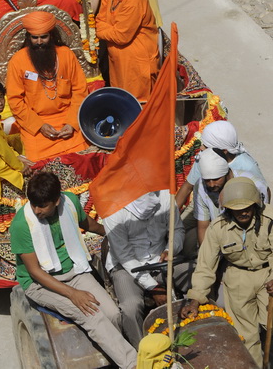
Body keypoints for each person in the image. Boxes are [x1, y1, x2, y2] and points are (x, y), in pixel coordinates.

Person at [10, 171, 137, 369]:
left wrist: (113, 233)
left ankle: (115, 357)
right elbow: (35, 272)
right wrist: (73, 294)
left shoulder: (69, 202)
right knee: (92, 316)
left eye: (42, 205)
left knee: (113, 314)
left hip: (75, 271)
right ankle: (134, 364)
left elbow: (90, 225)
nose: (36, 210)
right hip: (40, 283)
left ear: (57, 201)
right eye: (33, 204)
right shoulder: (21, 225)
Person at [181, 177, 273, 365]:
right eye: (237, 209)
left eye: (247, 207)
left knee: (270, 327)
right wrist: (196, 299)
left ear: (256, 204)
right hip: (238, 279)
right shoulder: (217, 228)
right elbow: (206, 265)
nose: (243, 213)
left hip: (268, 275)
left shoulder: (270, 219)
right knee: (246, 336)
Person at [104, 191, 188, 348]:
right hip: (126, 266)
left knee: (195, 279)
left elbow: (177, 229)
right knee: (130, 307)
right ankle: (141, 351)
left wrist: (171, 249)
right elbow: (125, 256)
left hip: (160, 258)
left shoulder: (165, 196)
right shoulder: (113, 209)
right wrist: (154, 287)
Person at [5, 12, 88, 161]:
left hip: (68, 119)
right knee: (41, 165)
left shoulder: (66, 55)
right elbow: (15, 101)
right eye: (34, 38)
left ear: (51, 36)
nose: (39, 42)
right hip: (35, 124)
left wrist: (72, 123)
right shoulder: (18, 61)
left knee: (81, 160)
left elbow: (80, 91)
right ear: (28, 38)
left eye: (43, 37)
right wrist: (39, 126)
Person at [95, 0, 159, 100]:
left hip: (137, 62)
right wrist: (106, 27)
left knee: (136, 106)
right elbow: (100, 18)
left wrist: (100, 29)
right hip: (118, 61)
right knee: (121, 101)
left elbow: (121, 36)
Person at [176, 120, 267, 213]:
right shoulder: (205, 157)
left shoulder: (247, 166)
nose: (201, 148)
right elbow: (187, 187)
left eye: (206, 146)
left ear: (224, 151)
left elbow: (264, 191)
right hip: (204, 202)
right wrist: (170, 216)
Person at [192, 147, 268, 246]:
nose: (211, 184)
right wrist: (206, 256)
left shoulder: (254, 184)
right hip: (221, 236)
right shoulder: (201, 186)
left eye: (216, 179)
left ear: (227, 173)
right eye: (207, 180)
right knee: (190, 244)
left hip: (251, 238)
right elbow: (203, 226)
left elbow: (264, 221)